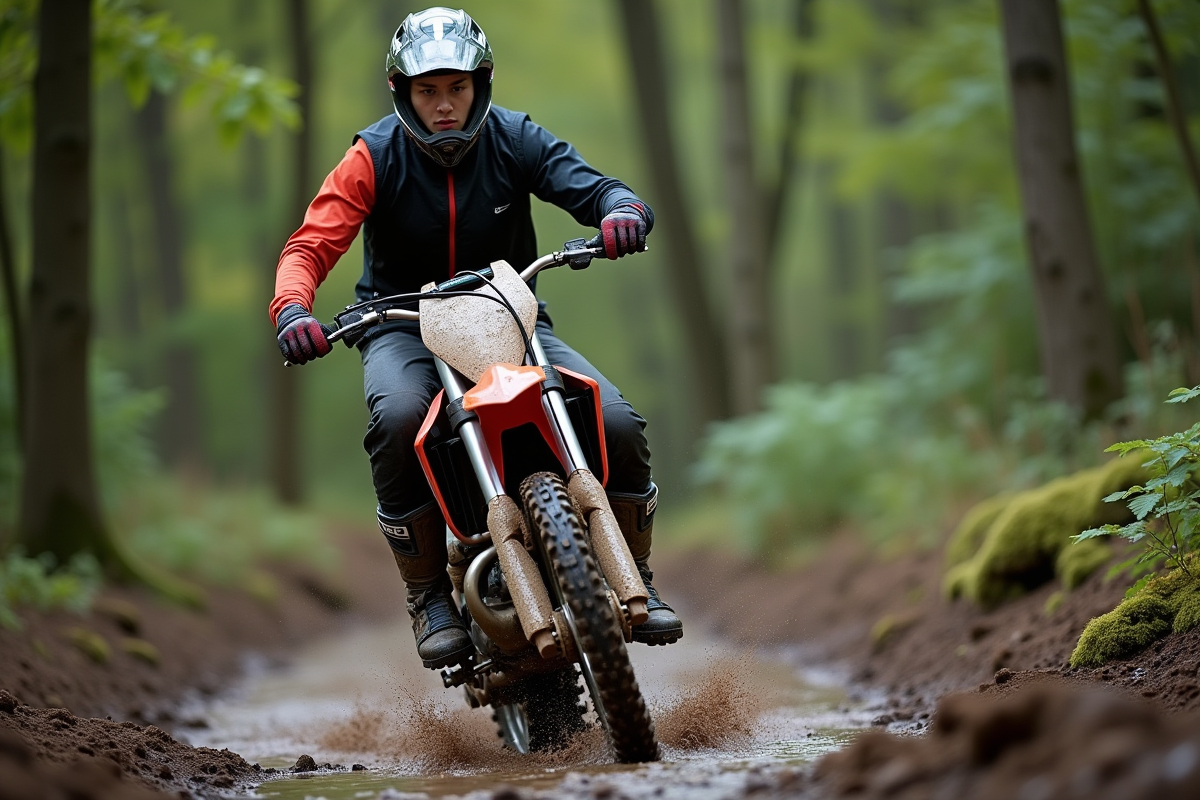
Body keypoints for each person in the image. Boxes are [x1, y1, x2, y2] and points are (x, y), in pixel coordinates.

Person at [269, 7, 682, 669]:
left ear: (479, 85)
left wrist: (621, 210)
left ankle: (636, 574)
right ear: (401, 92)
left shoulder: (515, 138)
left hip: (509, 316)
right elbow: (310, 246)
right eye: (427, 90)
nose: (443, 106)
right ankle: (427, 594)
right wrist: (293, 309)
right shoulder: (371, 157)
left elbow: (592, 187)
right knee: (400, 416)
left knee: (616, 421)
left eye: (455, 88)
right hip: (401, 325)